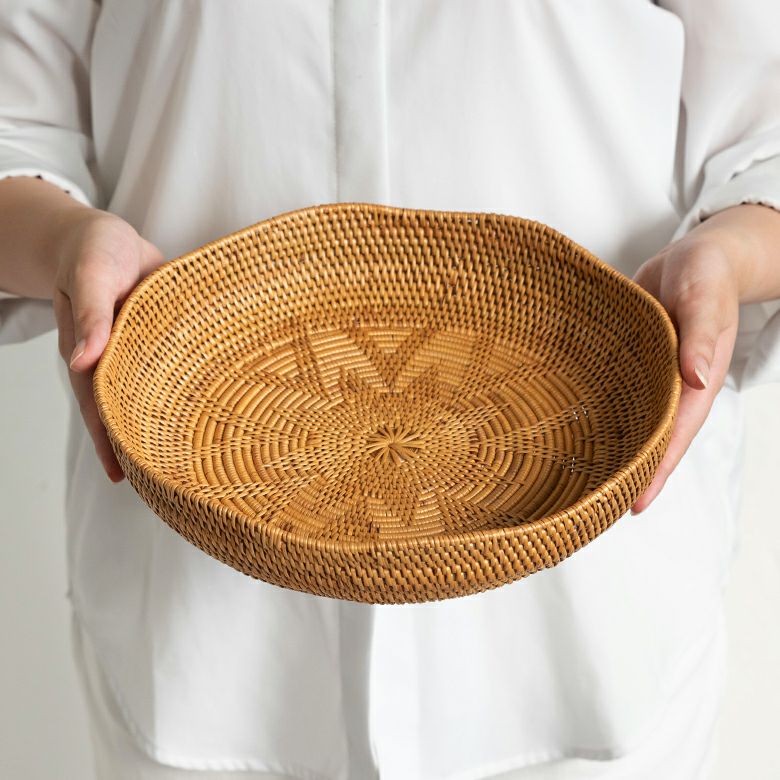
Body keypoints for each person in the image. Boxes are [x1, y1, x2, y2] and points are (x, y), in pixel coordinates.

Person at [1, 1, 779, 778]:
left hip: (595, 627)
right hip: (198, 640)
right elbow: (17, 129)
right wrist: (68, 241)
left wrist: (729, 255)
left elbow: (765, 137)